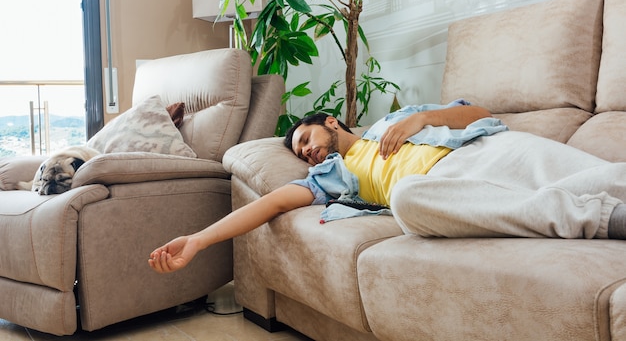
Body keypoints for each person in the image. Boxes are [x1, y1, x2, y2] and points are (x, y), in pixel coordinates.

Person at [149, 99, 626, 274]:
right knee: (406, 199)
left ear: (332, 122)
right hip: (448, 190)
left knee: (608, 174)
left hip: (493, 151)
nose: (307, 151)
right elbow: (272, 202)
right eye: (299, 153)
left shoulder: (395, 121)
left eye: (307, 139)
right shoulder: (334, 175)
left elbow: (481, 116)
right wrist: (199, 240)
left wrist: (422, 117)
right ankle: (600, 219)